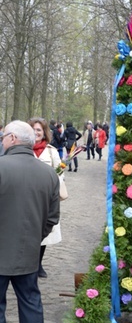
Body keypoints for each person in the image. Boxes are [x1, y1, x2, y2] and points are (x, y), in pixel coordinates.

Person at [0, 121, 60, 323]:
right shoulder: (48, 174)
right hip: (28, 252)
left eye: (3, 136)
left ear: (12, 138)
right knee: (32, 305)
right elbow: (51, 218)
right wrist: (35, 239)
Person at [28, 117, 63, 279]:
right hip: (27, 197)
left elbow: (60, 174)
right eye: (33, 130)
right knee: (28, 231)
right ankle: (29, 263)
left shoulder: (51, 151)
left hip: (46, 199)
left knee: (44, 231)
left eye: (39, 130)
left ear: (44, 133)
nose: (36, 133)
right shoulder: (23, 149)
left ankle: (38, 263)